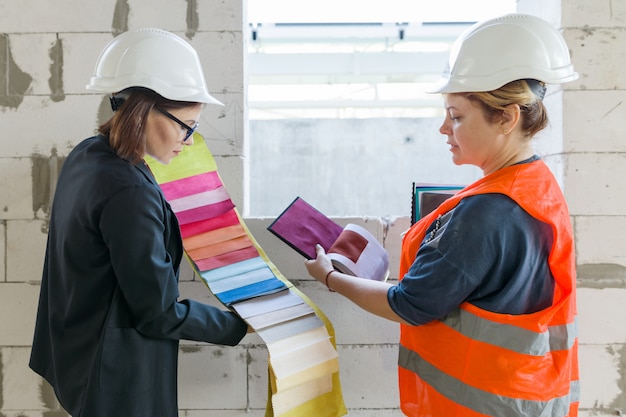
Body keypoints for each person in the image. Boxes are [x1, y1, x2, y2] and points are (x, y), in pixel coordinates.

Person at [305, 14, 579, 417]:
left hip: (479, 405)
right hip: (525, 397)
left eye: (457, 116)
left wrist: (332, 277)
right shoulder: (535, 183)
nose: (443, 129)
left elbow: (408, 304)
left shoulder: (485, 212)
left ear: (506, 118)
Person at [29, 28, 249, 417]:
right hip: (113, 377)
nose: (189, 139)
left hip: (77, 353)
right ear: (144, 110)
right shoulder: (130, 193)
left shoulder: (87, 155)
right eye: (187, 125)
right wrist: (237, 326)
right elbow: (159, 312)